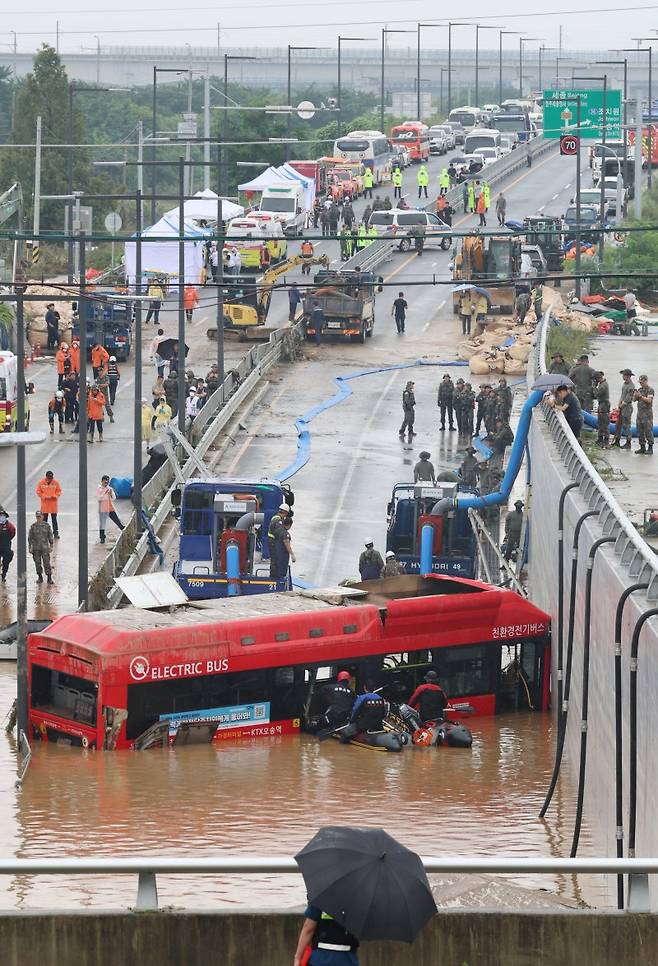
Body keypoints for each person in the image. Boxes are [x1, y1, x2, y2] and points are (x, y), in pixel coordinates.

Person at [294, 904, 360, 966]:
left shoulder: (321, 898)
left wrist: (298, 957)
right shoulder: (358, 901)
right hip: (347, 960)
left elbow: (308, 929)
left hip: (320, 959)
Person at [96, 475, 124, 544]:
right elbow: (98, 498)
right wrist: (104, 493)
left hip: (110, 508)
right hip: (102, 509)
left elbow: (114, 498)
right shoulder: (99, 489)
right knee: (102, 524)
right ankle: (102, 538)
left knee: (117, 521)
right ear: (102, 481)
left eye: (107, 482)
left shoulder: (110, 489)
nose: (106, 484)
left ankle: (124, 530)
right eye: (105, 482)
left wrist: (111, 494)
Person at [28, 511, 54, 584]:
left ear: (42, 516)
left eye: (39, 516)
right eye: (37, 517)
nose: (38, 518)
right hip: (36, 548)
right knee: (37, 563)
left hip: (45, 548)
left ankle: (49, 577)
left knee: (46, 563)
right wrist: (30, 547)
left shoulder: (47, 526)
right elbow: (30, 538)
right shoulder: (33, 526)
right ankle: (40, 577)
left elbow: (50, 536)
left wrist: (51, 545)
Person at [613, 368, 635, 449]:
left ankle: (628, 442)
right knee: (618, 424)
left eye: (624, 375)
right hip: (622, 406)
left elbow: (629, 398)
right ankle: (617, 441)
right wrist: (619, 404)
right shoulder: (624, 384)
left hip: (627, 407)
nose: (623, 376)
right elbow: (622, 395)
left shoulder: (631, 386)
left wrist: (622, 404)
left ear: (628, 376)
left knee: (627, 425)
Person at [36, 470, 62, 539]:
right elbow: (38, 491)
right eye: (49, 477)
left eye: (51, 477)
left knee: (54, 519)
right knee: (44, 520)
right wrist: (44, 496)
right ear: (46, 477)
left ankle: (55, 533)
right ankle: (44, 533)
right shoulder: (41, 483)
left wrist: (55, 496)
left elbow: (59, 491)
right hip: (45, 504)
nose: (50, 479)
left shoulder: (56, 483)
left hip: (53, 504)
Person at [634, 374, 654, 455]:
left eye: (642, 382)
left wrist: (640, 396)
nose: (641, 383)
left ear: (646, 381)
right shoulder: (640, 389)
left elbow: (649, 401)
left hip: (647, 414)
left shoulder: (650, 390)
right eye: (640, 382)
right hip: (640, 414)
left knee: (648, 431)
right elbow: (634, 400)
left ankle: (650, 448)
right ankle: (642, 447)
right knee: (639, 431)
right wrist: (635, 395)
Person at [593, 371, 610, 447]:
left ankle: (606, 439)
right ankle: (600, 438)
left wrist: (594, 386)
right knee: (600, 422)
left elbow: (597, 394)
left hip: (604, 404)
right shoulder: (602, 384)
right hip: (601, 404)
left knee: (605, 422)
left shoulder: (603, 385)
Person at [0, 509, 16, 583]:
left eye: (3, 516)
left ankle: (3, 575)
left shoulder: (9, 525)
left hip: (6, 546)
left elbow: (12, 533)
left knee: (6, 561)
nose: (2, 517)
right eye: (1, 516)